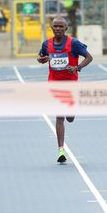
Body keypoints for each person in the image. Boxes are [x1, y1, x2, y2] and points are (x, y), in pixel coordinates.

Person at [37, 17, 93, 163]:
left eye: (61, 26)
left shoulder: (73, 43)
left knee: (70, 118)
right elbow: (41, 56)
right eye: (55, 26)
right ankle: (60, 150)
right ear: (52, 28)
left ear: (66, 28)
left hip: (71, 83)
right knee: (59, 117)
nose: (58, 29)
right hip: (54, 83)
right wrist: (40, 59)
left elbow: (89, 57)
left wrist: (77, 67)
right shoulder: (47, 44)